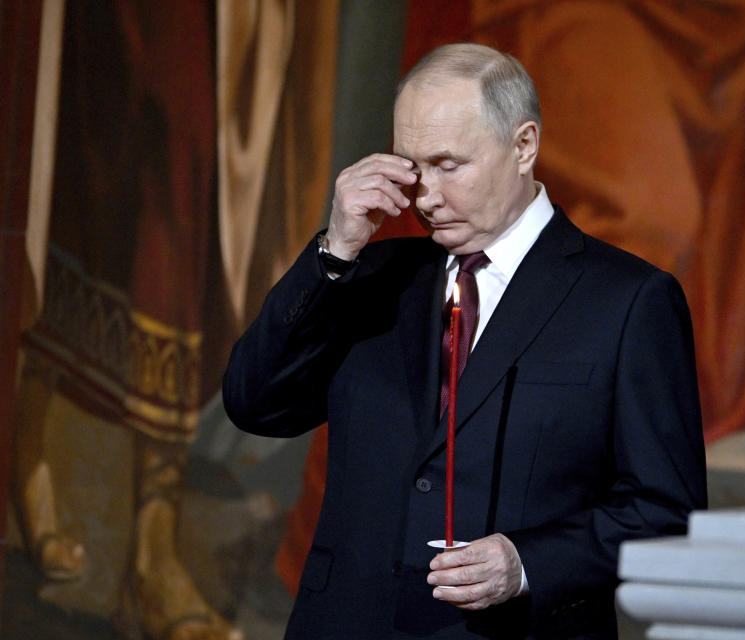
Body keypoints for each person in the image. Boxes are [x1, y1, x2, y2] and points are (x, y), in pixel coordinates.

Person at [223, 42, 706, 639]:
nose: (425, 196)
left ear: (523, 145)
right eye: (412, 166)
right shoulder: (367, 277)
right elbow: (254, 402)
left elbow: (666, 513)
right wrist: (333, 252)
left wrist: (528, 563)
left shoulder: (628, 301)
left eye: (449, 165)